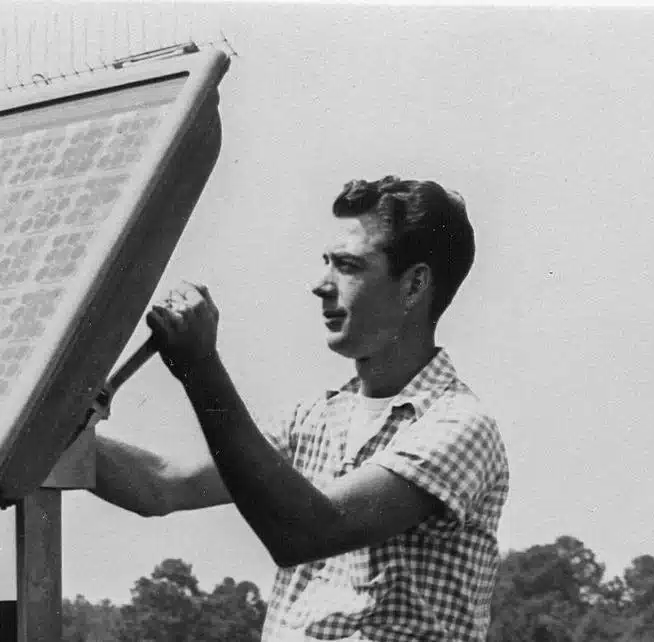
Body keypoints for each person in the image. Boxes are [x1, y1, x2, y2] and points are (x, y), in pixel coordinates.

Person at [90, 176, 510, 642]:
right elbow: (162, 484)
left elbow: (307, 532)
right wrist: (35, 432)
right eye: (327, 263)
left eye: (348, 267)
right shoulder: (313, 419)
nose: (320, 285)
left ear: (414, 285)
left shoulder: (457, 426)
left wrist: (201, 368)